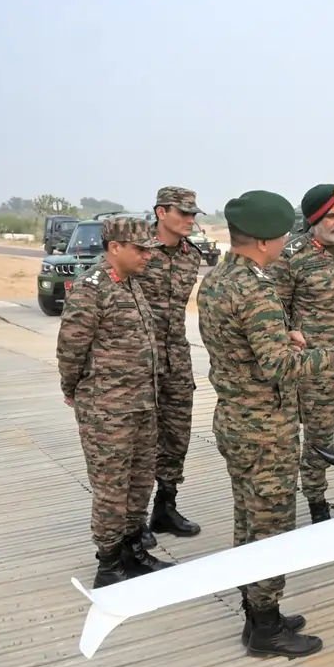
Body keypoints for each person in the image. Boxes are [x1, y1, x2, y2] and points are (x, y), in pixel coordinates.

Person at [198, 189, 334, 657]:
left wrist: (283, 336)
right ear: (267, 239)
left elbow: (246, 344)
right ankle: (266, 628)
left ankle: (256, 611)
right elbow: (279, 367)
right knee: (270, 525)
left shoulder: (219, 279)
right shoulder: (258, 288)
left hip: (236, 418)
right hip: (264, 427)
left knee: (248, 519)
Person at [56, 217, 172, 588]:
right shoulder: (92, 289)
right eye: (140, 250)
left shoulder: (132, 285)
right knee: (111, 488)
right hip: (107, 411)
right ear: (115, 247)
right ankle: (108, 563)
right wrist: (72, 388)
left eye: (149, 250)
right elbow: (70, 348)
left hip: (141, 405)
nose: (146, 257)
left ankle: (132, 549)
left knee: (139, 483)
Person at [269, 182, 334, 521]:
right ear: (314, 219)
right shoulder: (291, 257)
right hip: (317, 373)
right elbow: (275, 306)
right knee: (317, 446)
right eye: (332, 217)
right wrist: (289, 329)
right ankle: (317, 509)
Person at [134, 186, 205, 542]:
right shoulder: (138, 249)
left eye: (194, 214)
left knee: (177, 435)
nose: (191, 220)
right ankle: (134, 521)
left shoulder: (192, 256)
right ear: (162, 213)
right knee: (142, 439)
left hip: (176, 356)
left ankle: (165, 507)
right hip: (137, 358)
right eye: (184, 213)